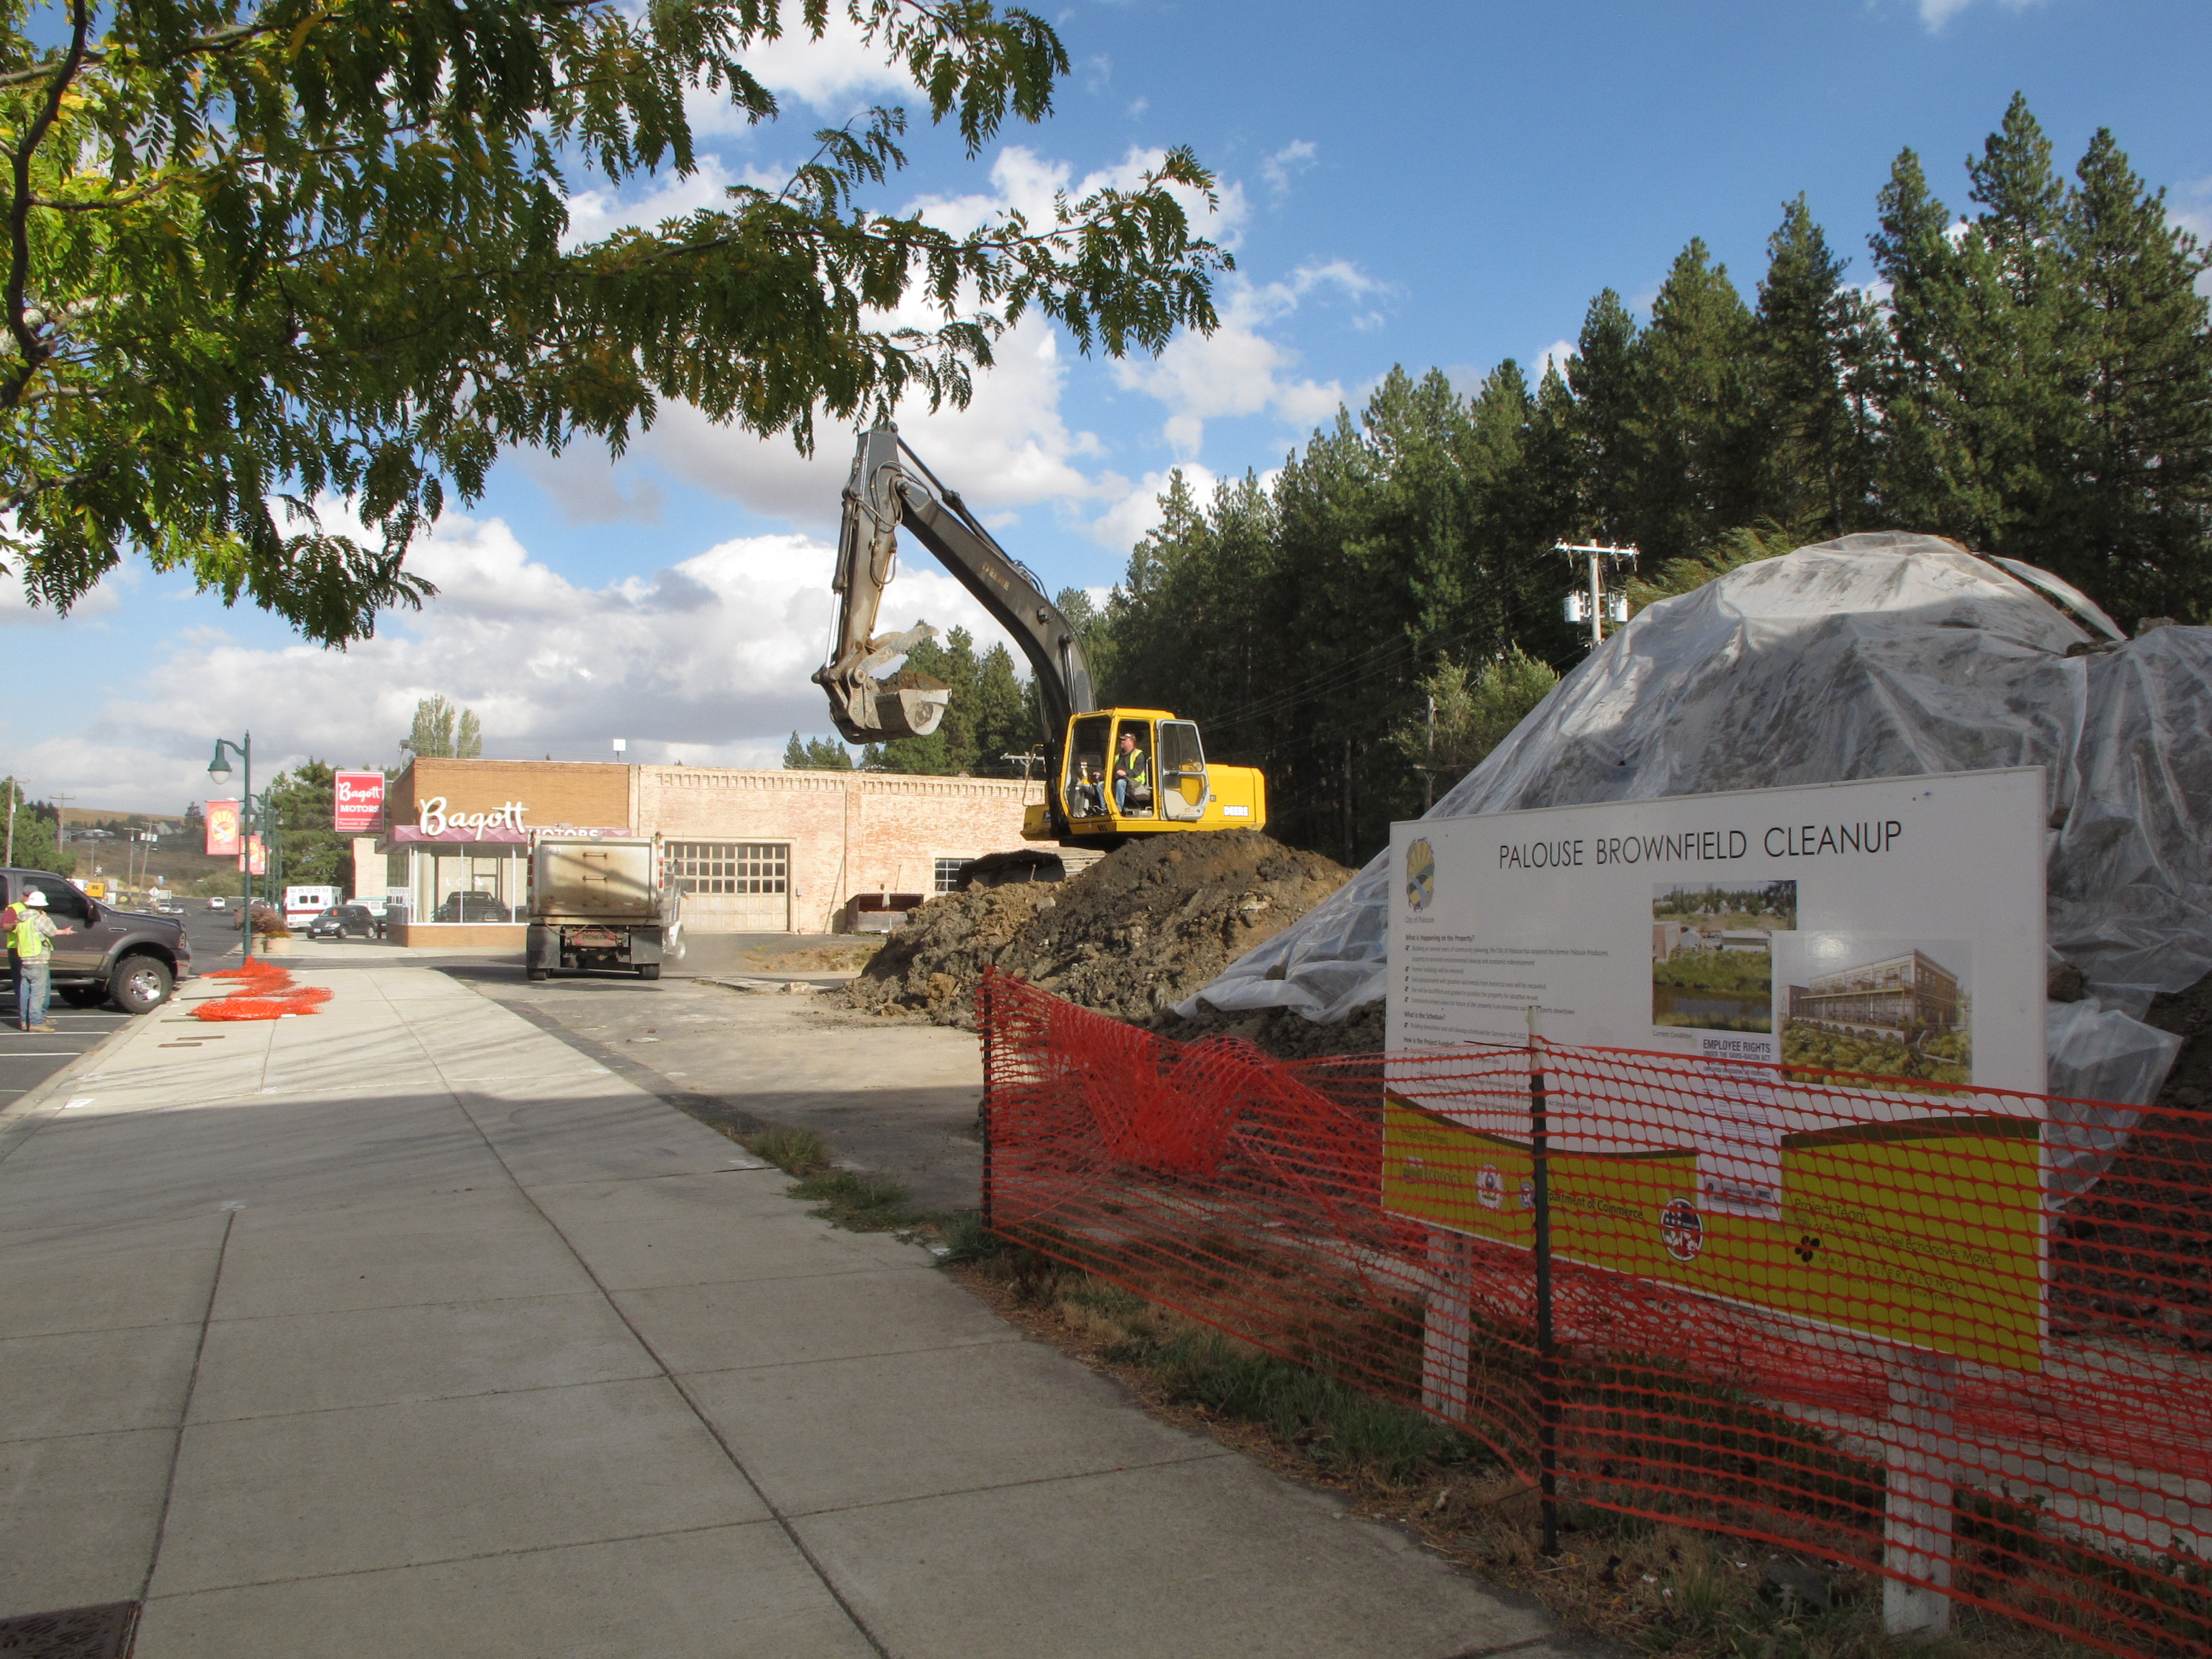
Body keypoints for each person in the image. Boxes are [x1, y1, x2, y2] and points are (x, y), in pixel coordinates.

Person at [8, 889, 74, 1033]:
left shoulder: (21, 919)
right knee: (38, 993)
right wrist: (48, 919)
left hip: (25, 959)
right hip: (39, 959)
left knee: (25, 992)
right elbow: (51, 932)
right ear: (41, 907)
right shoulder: (39, 919)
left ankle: (24, 1021)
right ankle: (37, 1022)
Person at [1113, 730, 1151, 815]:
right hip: (1121, 779)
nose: (1121, 742)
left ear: (1131, 742)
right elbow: (1112, 771)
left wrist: (1126, 773)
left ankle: (1118, 809)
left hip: (1134, 781)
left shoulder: (1138, 754)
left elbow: (1137, 771)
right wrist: (1101, 775)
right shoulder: (1118, 757)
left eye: (1124, 740)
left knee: (1120, 783)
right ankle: (1105, 809)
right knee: (1101, 785)